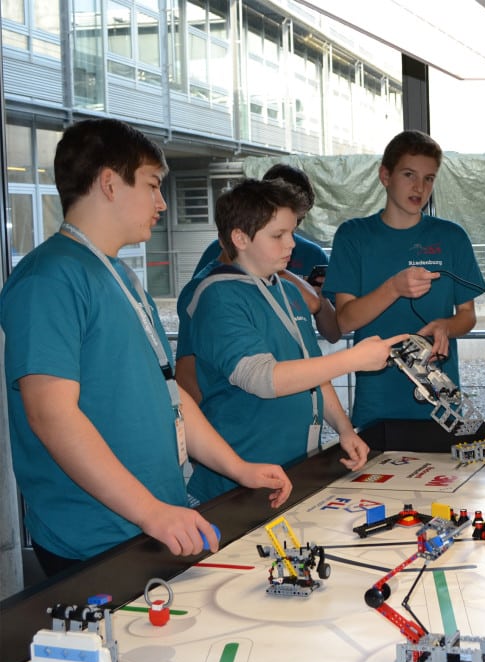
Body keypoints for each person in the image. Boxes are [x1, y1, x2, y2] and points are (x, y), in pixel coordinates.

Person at [0, 118, 292, 575]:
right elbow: (50, 414)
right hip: (99, 537)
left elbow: (168, 393)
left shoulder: (119, 275)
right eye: (153, 185)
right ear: (110, 184)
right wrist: (149, 510)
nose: (161, 203)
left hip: (151, 522)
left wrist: (239, 468)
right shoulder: (50, 278)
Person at [183, 179, 406, 504]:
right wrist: (353, 359)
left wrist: (345, 430)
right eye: (278, 235)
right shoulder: (217, 297)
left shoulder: (288, 291)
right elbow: (262, 378)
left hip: (292, 468)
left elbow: (314, 373)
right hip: (238, 478)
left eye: (291, 232)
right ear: (240, 238)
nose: (291, 245)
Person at [322, 130, 485, 428]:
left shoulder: (452, 237)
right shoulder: (354, 236)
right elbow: (344, 321)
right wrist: (394, 288)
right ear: (385, 176)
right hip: (378, 399)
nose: (419, 187)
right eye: (409, 174)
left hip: (440, 398)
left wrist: (445, 326)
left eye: (429, 178)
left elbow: (467, 316)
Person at [177, 165, 340, 403]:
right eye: (276, 233)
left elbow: (325, 328)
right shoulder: (211, 289)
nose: (290, 243)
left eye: (295, 224)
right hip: (241, 427)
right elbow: (188, 367)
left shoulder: (305, 261)